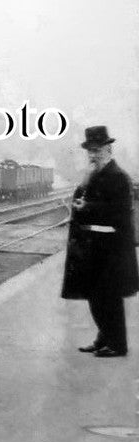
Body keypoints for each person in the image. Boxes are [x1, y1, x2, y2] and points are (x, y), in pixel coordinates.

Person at [60, 126, 137, 357]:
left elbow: (122, 212)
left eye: (97, 150)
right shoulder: (93, 176)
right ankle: (104, 338)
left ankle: (118, 344)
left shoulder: (119, 177)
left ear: (109, 149)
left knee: (109, 298)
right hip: (93, 245)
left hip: (111, 248)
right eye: (90, 151)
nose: (93, 155)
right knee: (95, 296)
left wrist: (89, 207)